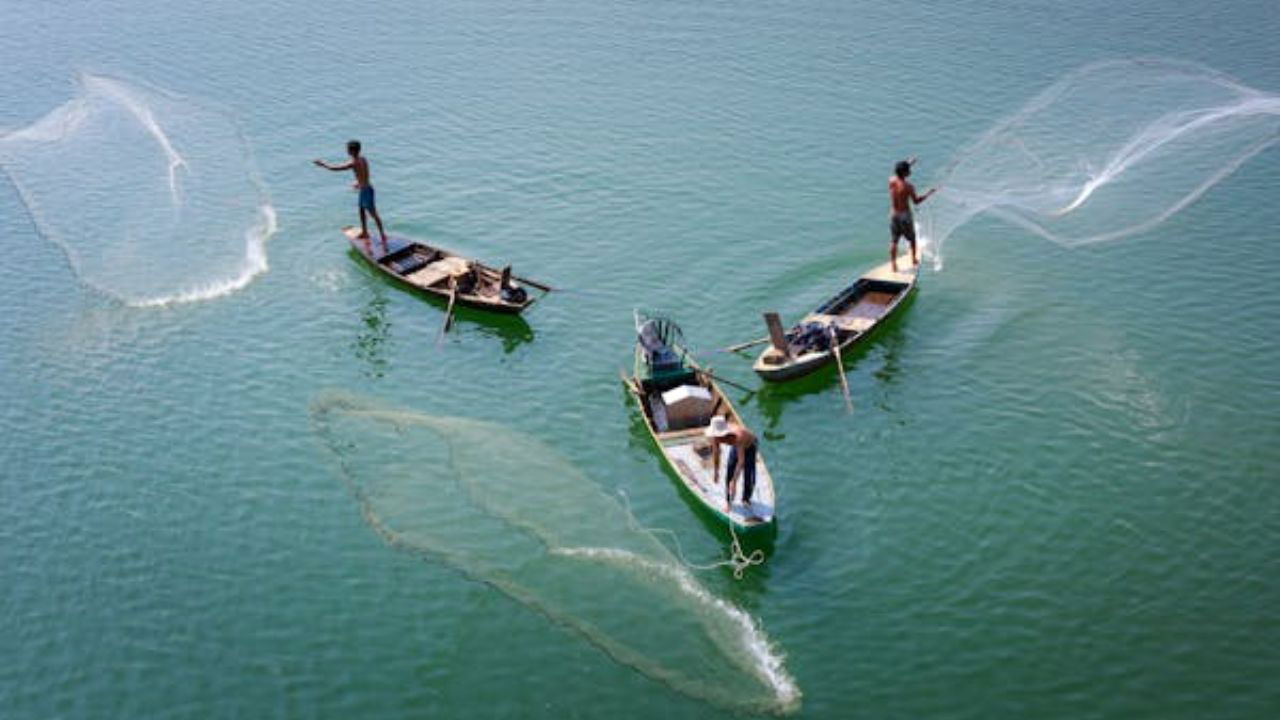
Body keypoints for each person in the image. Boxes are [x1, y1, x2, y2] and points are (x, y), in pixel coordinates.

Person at [314, 140, 389, 250]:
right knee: (361, 210)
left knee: (373, 214)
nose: (346, 150)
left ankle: (383, 235)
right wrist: (359, 183)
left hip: (366, 191)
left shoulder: (353, 163)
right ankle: (365, 232)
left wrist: (323, 164)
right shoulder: (363, 159)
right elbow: (364, 174)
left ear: (352, 151)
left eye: (347, 149)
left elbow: (335, 168)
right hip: (367, 188)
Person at [888, 157, 937, 273]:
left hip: (893, 214)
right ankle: (914, 260)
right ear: (905, 173)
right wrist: (929, 193)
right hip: (905, 216)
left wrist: (909, 163)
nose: (911, 171)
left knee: (894, 241)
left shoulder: (891, 181)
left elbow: (897, 172)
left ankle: (893, 265)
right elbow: (916, 201)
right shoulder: (908, 187)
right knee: (912, 239)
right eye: (909, 169)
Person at [706, 415, 758, 510]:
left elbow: (741, 461)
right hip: (736, 446)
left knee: (748, 473)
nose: (716, 439)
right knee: (730, 470)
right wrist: (716, 472)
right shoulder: (714, 438)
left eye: (718, 436)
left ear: (723, 434)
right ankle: (729, 501)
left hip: (749, 446)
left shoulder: (738, 436)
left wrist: (734, 481)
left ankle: (746, 499)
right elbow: (716, 454)